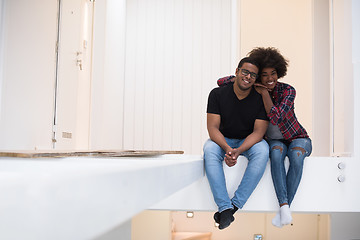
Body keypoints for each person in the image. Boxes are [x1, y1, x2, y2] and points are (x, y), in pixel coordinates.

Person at [218, 47, 312, 228]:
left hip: (297, 137)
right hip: (275, 141)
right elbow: (221, 81)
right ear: (258, 76)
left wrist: (264, 94)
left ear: (279, 72)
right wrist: (245, 78)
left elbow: (276, 117)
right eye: (265, 75)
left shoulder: (287, 91)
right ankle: (285, 209)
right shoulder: (252, 87)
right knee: (275, 155)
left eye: (273, 74)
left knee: (296, 157)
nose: (270, 79)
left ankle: (285, 207)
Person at [204, 57, 269, 230]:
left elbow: (259, 132)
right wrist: (227, 148)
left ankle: (232, 207)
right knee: (209, 148)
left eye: (253, 75)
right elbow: (212, 128)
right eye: (245, 72)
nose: (248, 77)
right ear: (237, 71)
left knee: (263, 150)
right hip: (222, 140)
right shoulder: (217, 94)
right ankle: (224, 206)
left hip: (247, 142)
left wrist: (238, 151)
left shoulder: (259, 99)